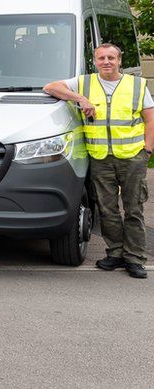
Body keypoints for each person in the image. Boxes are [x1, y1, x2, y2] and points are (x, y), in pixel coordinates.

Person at [44, 43, 152, 279]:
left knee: (134, 209)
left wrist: (148, 150)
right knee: (107, 210)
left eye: (111, 58)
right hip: (100, 158)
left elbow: (150, 118)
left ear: (119, 61)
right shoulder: (85, 83)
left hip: (133, 157)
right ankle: (115, 254)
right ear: (95, 61)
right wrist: (80, 98)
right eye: (101, 58)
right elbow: (50, 87)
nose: (106, 62)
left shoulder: (136, 85)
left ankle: (134, 259)